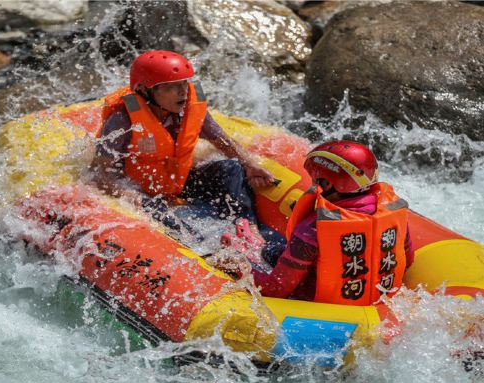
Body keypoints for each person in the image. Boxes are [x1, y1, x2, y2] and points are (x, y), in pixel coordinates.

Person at [90, 50, 275, 235]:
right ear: (144, 90)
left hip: (179, 183)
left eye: (184, 83)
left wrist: (250, 165)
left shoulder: (188, 108)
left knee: (231, 169)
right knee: (153, 209)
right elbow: (99, 173)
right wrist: (125, 193)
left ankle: (248, 229)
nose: (183, 92)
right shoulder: (122, 120)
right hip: (141, 192)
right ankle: (208, 251)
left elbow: (221, 140)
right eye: (171, 86)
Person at [247, 140, 415, 305]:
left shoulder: (312, 229)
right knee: (272, 250)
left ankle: (250, 248)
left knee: (255, 257)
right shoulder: (392, 211)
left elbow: (275, 289)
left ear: (327, 184)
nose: (312, 185)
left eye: (315, 180)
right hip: (378, 302)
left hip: (322, 308)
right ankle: (260, 246)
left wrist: (241, 270)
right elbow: (407, 259)